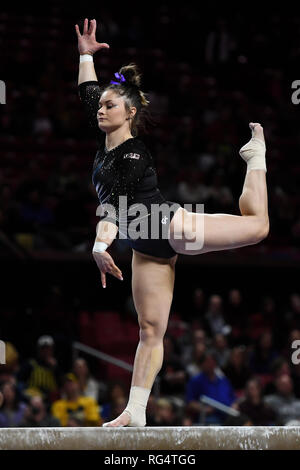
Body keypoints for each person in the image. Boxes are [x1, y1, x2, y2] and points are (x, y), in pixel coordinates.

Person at [75, 18, 269, 427]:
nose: (100, 108)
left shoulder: (133, 154)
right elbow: (87, 91)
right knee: (150, 330)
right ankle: (136, 411)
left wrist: (99, 246)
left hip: (166, 226)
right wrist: (86, 55)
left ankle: (255, 158)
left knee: (258, 228)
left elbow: (114, 209)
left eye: (109, 106)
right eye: (101, 105)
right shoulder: (104, 139)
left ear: (129, 113)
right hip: (145, 245)